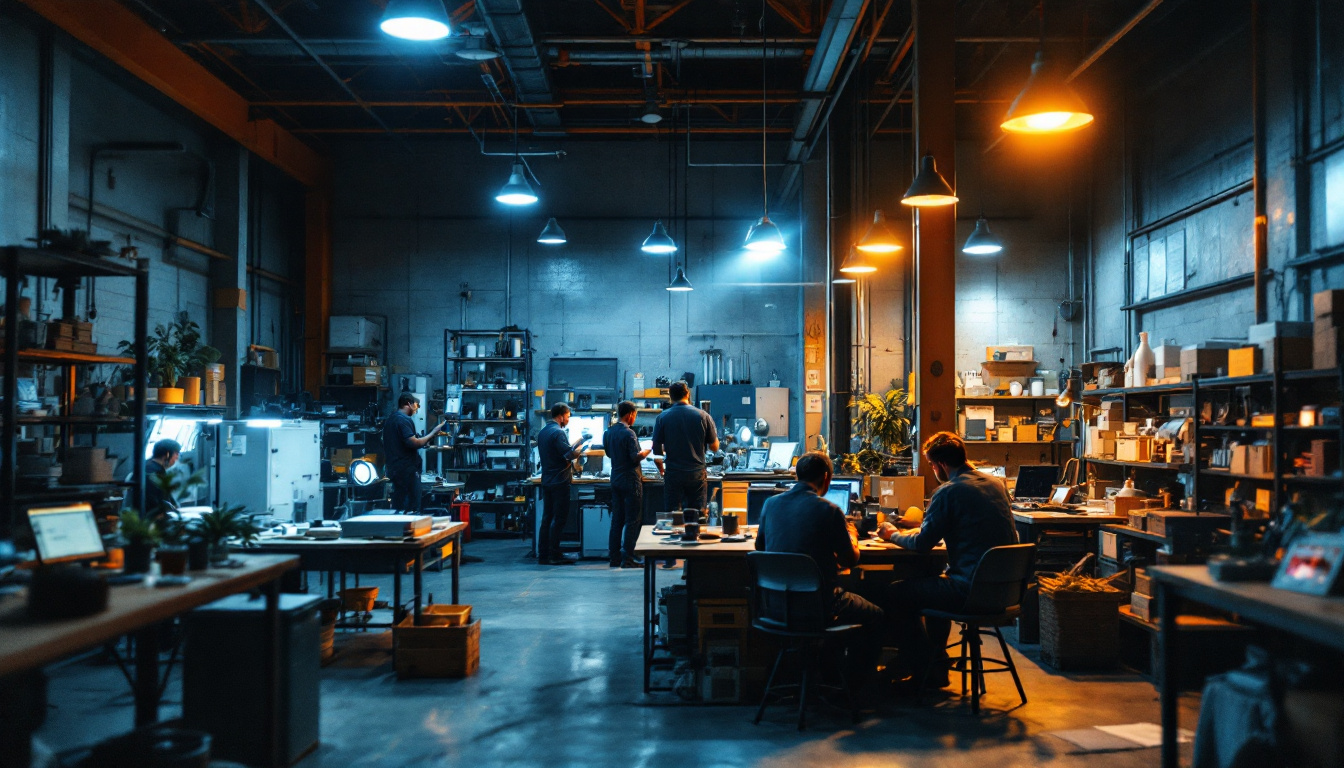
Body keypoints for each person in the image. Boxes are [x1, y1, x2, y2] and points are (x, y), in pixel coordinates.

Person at [877, 431, 1019, 689]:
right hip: (1004, 592)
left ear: (941, 464)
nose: (933, 470)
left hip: (968, 591)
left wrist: (892, 534)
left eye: (931, 465)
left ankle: (925, 665)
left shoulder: (948, 491)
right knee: (933, 583)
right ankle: (935, 665)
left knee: (895, 593)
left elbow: (921, 544)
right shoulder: (996, 485)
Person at [755, 451, 885, 690]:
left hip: (775, 606)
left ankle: (828, 673)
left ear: (796, 476)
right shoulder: (830, 510)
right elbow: (849, 560)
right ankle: (855, 687)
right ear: (826, 478)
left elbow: (760, 549)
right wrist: (853, 536)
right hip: (820, 608)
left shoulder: (770, 505)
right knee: (876, 616)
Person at [650, 380, 718, 516]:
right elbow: (714, 447)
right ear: (687, 394)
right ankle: (694, 535)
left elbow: (656, 450)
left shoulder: (662, 417)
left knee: (673, 516)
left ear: (670, 396)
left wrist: (669, 451)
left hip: (674, 474)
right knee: (697, 516)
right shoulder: (704, 416)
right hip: (696, 474)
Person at [537, 403, 590, 565]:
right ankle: (555, 555)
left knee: (547, 518)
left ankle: (544, 554)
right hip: (559, 481)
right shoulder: (558, 433)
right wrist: (582, 448)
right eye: (568, 416)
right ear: (561, 416)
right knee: (559, 519)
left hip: (547, 480)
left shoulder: (544, 431)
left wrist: (580, 439)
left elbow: (561, 450)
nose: (568, 419)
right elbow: (569, 455)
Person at [603, 401, 652, 568]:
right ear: (630, 414)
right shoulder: (629, 433)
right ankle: (628, 559)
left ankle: (614, 558)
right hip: (630, 480)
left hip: (615, 478)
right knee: (632, 520)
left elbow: (609, 454)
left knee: (617, 520)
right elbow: (635, 457)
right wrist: (646, 451)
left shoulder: (608, 432)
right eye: (635, 415)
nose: (634, 419)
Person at [382, 393, 446, 513]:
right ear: (408, 404)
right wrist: (433, 432)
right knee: (411, 508)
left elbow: (403, 442)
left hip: (396, 469)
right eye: (415, 405)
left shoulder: (391, 419)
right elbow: (414, 443)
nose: (416, 408)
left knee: (400, 506)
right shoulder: (403, 420)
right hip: (406, 471)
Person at [143, 439, 181, 516]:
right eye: (176, 454)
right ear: (167, 454)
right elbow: (155, 502)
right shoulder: (154, 472)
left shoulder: (147, 466)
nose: (177, 457)